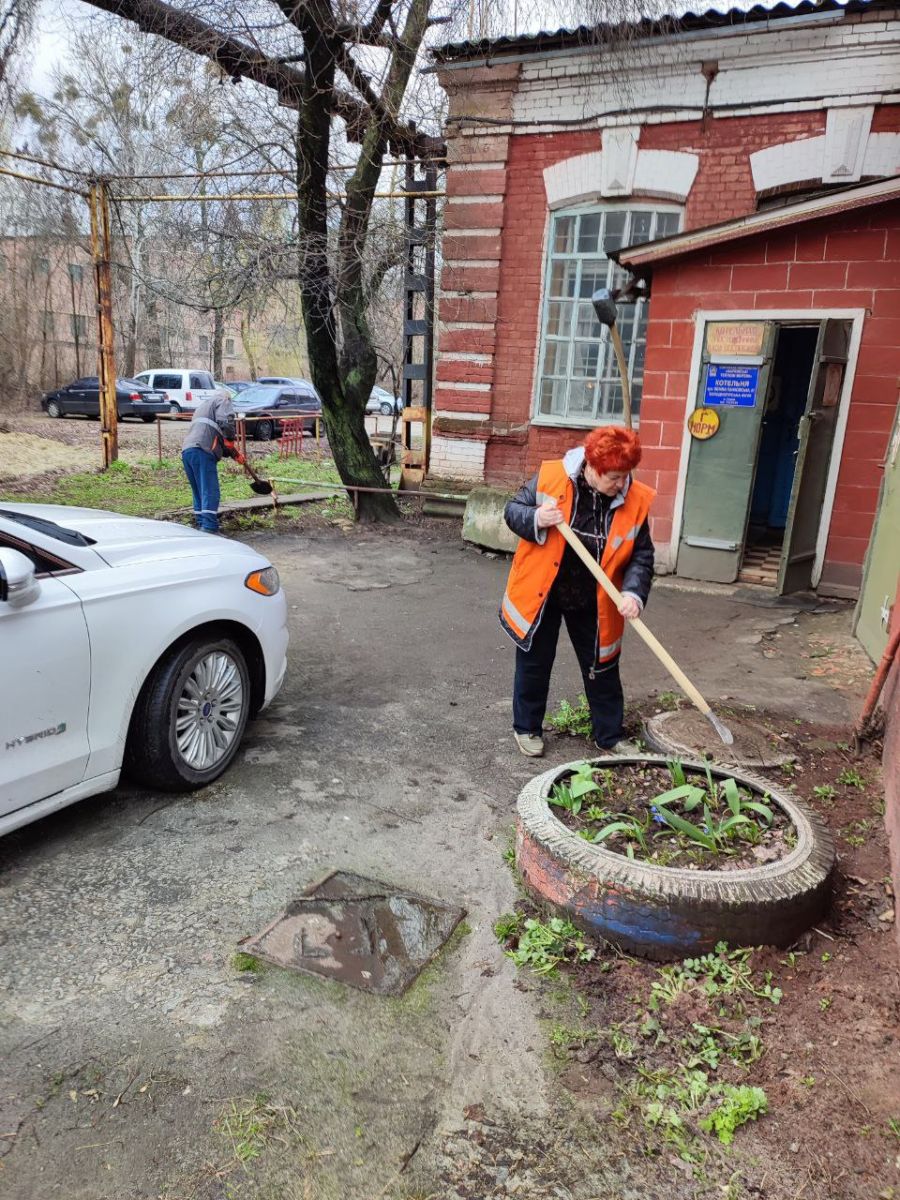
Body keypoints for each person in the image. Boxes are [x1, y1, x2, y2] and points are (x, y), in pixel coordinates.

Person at [500, 426, 655, 758]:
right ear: (592, 467)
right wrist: (536, 517)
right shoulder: (552, 477)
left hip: (594, 598)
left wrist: (633, 593)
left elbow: (642, 555)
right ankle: (527, 728)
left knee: (602, 665)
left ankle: (609, 735)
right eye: (614, 477)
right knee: (535, 662)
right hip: (545, 591)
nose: (621, 484)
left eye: (625, 476)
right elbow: (512, 511)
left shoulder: (633, 499)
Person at [181, 390, 245, 533]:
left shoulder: (204, 407)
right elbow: (225, 421)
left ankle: (201, 524)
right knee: (210, 489)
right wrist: (230, 438)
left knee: (198, 490)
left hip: (187, 450)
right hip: (203, 450)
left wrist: (234, 454)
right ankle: (209, 528)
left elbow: (213, 432)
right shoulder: (224, 399)